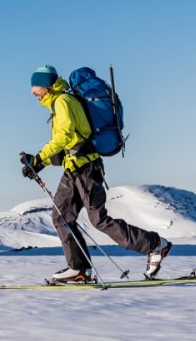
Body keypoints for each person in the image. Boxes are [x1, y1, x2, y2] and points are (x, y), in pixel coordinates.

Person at [21, 64, 171, 283]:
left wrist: (39, 158)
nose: (32, 92)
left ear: (46, 85)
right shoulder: (59, 103)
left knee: (99, 221)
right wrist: (38, 164)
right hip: (73, 170)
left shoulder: (63, 101)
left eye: (34, 86)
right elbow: (70, 143)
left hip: (86, 170)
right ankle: (79, 270)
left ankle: (155, 245)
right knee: (62, 217)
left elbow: (63, 137)